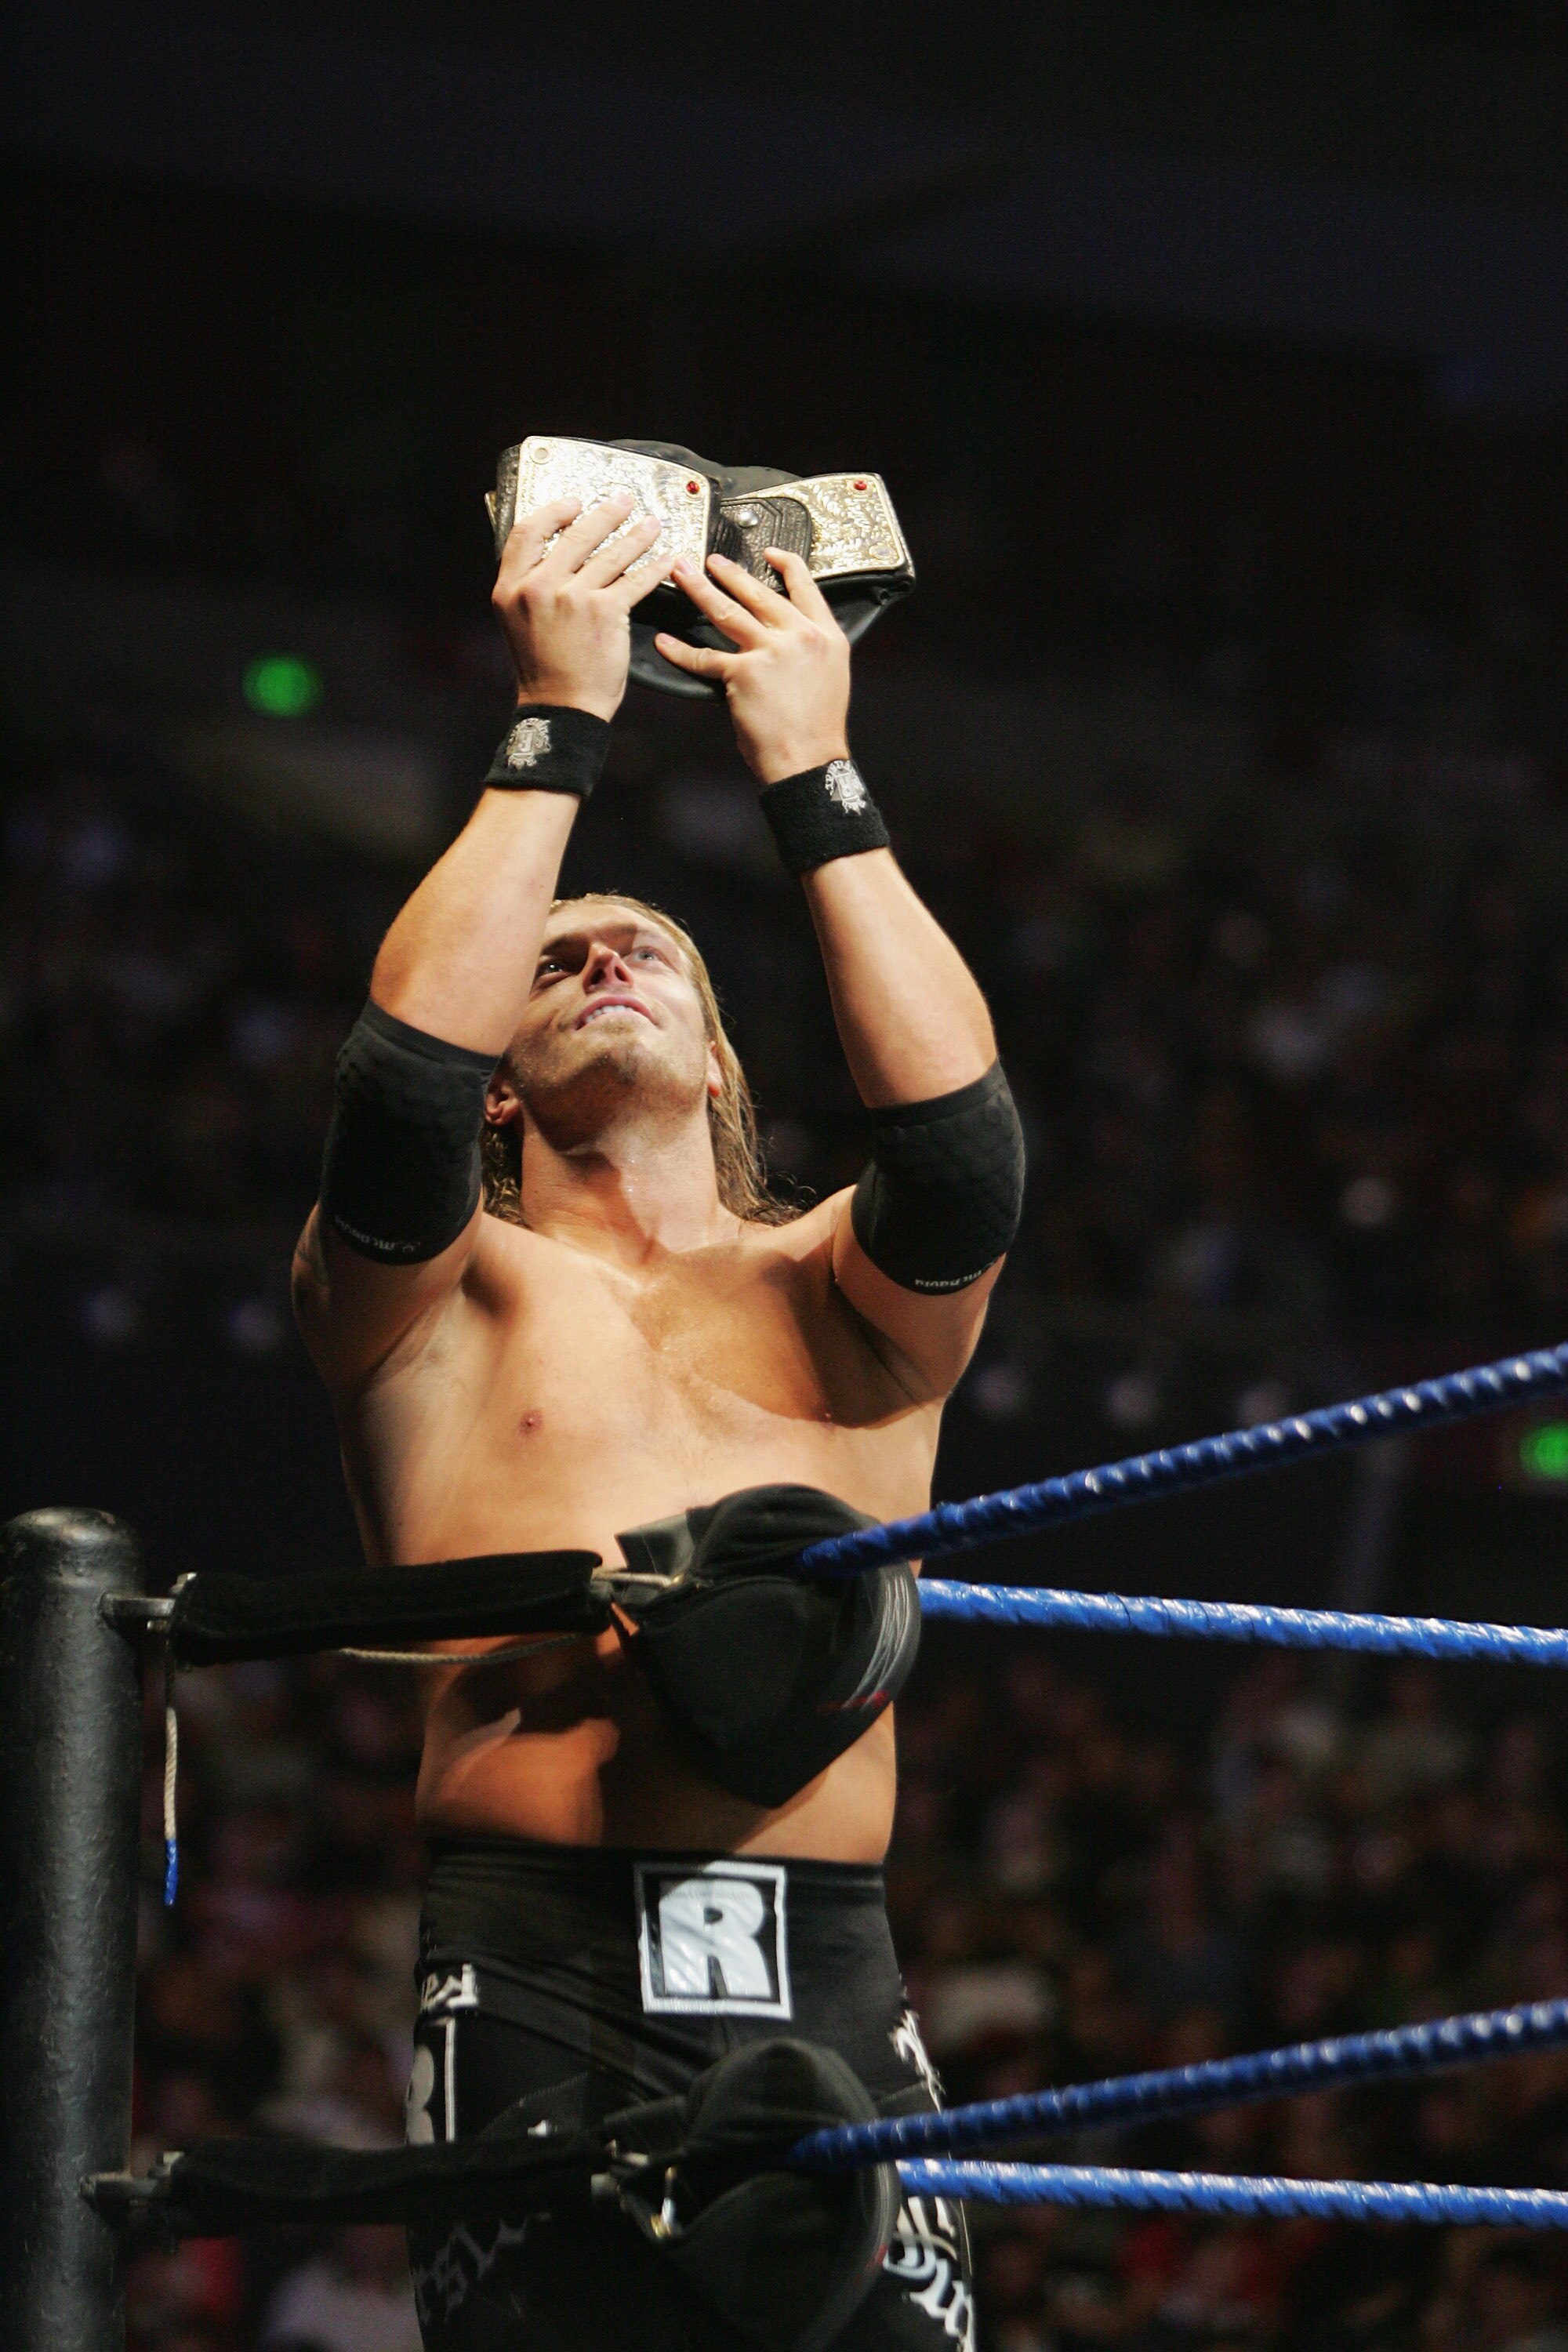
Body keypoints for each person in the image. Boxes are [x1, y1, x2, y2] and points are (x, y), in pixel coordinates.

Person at [292, 489, 1025, 2351]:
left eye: (651, 959)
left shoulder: (840, 1296)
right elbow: (391, 1102)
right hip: (543, 1961)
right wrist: (559, 724)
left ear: (720, 1055)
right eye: (558, 958)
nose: (604, 960)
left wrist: (814, 768)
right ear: (499, 1080)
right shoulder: (450, 1301)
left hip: (830, 1969)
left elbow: (957, 1155)